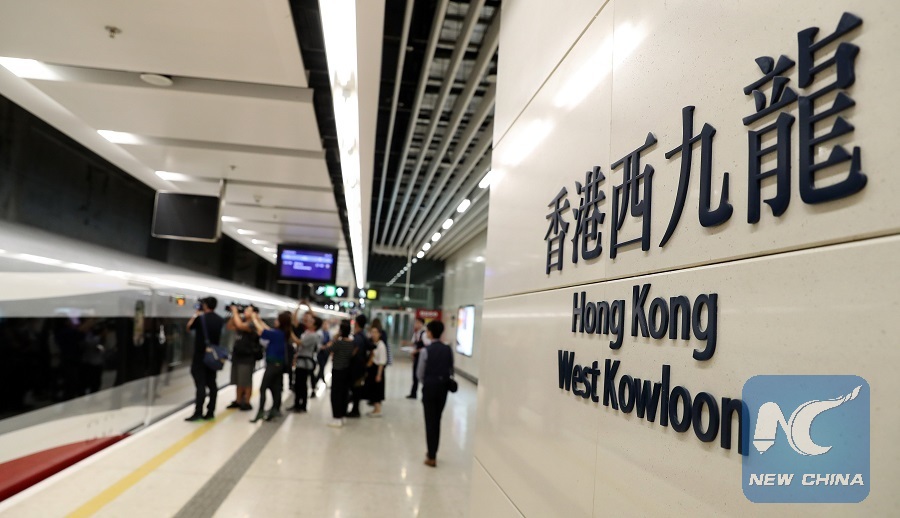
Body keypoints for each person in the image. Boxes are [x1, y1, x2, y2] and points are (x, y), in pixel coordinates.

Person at [249, 311, 297, 422]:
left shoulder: (277, 334)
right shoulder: (282, 333)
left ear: (280, 322)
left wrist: (254, 319)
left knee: (263, 388)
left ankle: (260, 412)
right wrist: (259, 320)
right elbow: (267, 330)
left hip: (273, 365)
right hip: (279, 365)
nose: (275, 321)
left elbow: (262, 332)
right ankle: (275, 410)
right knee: (275, 388)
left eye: (277, 320)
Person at [417, 320, 453, 467]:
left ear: (430, 333)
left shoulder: (426, 351)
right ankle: (433, 452)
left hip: (430, 389)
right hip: (443, 389)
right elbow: (450, 368)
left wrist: (426, 382)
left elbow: (420, 373)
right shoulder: (447, 349)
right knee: (437, 420)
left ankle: (431, 455)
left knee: (429, 421)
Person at [185, 297, 225, 421]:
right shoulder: (220, 319)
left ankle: (198, 412)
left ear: (206, 305)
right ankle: (210, 411)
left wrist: (196, 314)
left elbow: (188, 327)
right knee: (212, 384)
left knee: (200, 385)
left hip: (200, 356)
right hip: (213, 356)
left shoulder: (200, 318)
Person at [227, 305, 259, 411]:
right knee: (238, 380)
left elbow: (240, 326)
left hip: (247, 357)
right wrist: (234, 315)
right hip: (238, 355)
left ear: (254, 313)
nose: (245, 311)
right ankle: (238, 400)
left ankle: (247, 402)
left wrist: (235, 312)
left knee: (246, 381)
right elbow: (229, 326)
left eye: (248, 310)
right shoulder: (242, 320)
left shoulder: (253, 324)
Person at [324, 320, 355, 427]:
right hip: (347, 370)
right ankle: (342, 415)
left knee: (335, 394)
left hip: (337, 370)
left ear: (341, 331)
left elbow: (327, 350)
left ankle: (336, 417)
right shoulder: (352, 343)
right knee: (344, 394)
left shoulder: (339, 343)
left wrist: (334, 338)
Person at [292, 314, 320, 412]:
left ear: (315, 326)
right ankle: (297, 403)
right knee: (298, 384)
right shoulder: (307, 332)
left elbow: (300, 342)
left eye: (311, 321)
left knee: (302, 384)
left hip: (305, 363)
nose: (308, 322)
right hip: (301, 361)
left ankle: (302, 405)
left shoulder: (313, 335)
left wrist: (289, 332)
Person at [347, 314, 371, 418]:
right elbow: (371, 347)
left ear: (356, 323)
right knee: (357, 388)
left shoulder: (358, 337)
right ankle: (355, 409)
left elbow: (353, 351)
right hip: (361, 367)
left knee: (355, 389)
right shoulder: (364, 336)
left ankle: (355, 410)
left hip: (355, 368)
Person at [366, 326, 387, 417]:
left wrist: (379, 374)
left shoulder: (381, 345)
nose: (373, 334)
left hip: (377, 370)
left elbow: (382, 362)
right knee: (373, 390)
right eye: (372, 332)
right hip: (372, 370)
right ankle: (375, 409)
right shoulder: (373, 344)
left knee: (377, 389)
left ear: (379, 334)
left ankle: (378, 410)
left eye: (375, 332)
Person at [406, 318, 426, 399]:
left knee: (421, 375)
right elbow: (413, 344)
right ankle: (413, 393)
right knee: (415, 375)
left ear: (421, 324)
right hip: (416, 357)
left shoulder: (424, 334)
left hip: (422, 358)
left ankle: (424, 393)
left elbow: (427, 347)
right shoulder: (416, 333)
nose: (415, 324)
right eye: (415, 323)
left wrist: (416, 351)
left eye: (417, 323)